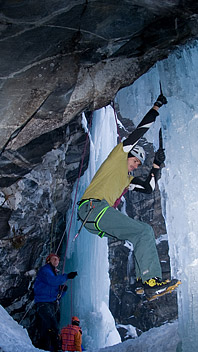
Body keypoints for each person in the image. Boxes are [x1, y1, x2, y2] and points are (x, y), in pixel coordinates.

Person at [77, 94, 179, 298]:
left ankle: (143, 282)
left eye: (138, 165)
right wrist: (156, 107)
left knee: (139, 234)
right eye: (135, 161)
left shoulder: (126, 180)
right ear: (128, 155)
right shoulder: (118, 157)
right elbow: (141, 130)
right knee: (144, 232)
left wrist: (156, 165)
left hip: (95, 219)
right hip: (93, 209)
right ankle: (150, 280)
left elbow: (148, 188)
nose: (135, 165)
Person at [33, 253, 77, 351]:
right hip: (43, 303)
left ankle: (48, 348)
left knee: (48, 327)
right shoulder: (45, 270)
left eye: (57, 259)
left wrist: (63, 291)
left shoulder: (53, 273)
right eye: (54, 259)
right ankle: (56, 349)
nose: (56, 261)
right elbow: (51, 281)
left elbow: (56, 295)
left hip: (51, 303)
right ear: (48, 260)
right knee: (52, 326)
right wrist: (67, 276)